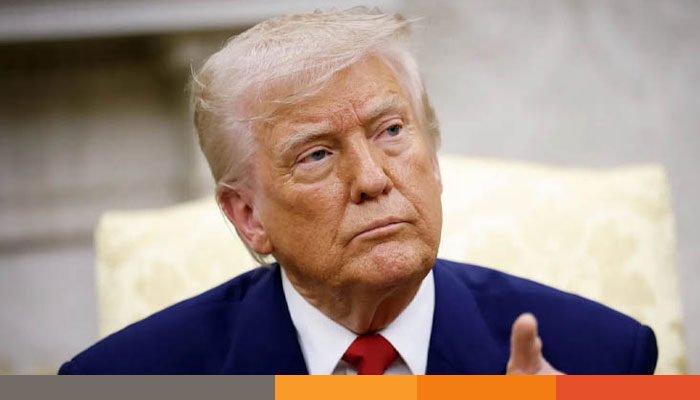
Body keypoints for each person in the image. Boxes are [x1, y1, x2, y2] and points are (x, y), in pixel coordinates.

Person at [59, 7, 657, 375]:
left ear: (433, 157)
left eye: (391, 131)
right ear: (247, 215)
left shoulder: (603, 358)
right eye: (317, 154)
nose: (372, 180)